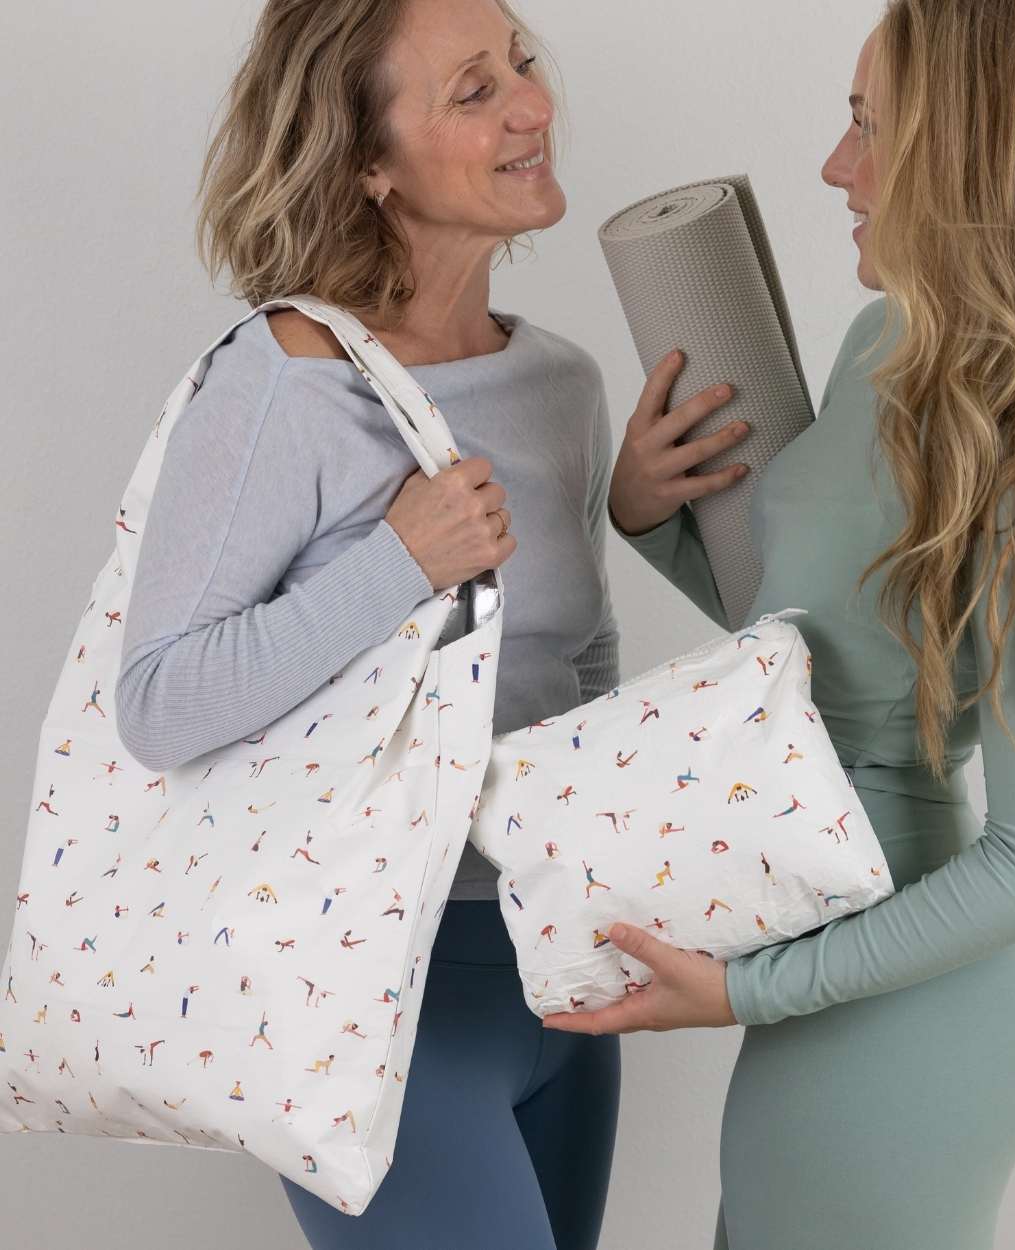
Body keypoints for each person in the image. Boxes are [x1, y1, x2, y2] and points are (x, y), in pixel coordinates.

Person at [543, 3, 1015, 1248]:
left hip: (918, 1011)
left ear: (967, 153)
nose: (831, 166)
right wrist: (648, 513)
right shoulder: (884, 343)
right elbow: (805, 650)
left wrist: (751, 988)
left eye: (868, 126)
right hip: (826, 965)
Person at [115, 1, 737, 1245]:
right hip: (373, 1000)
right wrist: (399, 559)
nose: (530, 104)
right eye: (470, 91)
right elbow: (159, 700)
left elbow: (570, 664)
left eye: (520, 64)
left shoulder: (558, 378)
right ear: (364, 160)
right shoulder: (283, 380)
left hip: (556, 984)